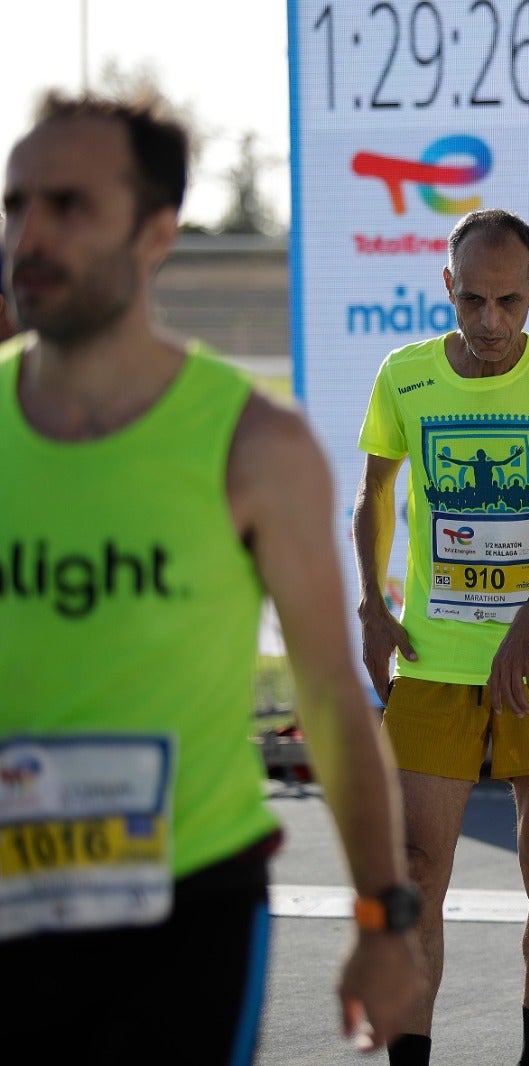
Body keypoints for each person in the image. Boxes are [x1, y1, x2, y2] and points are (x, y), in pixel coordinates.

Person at [0, 90, 423, 1060]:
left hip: (187, 909)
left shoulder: (253, 444)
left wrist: (383, 918)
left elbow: (331, 698)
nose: (30, 234)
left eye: (69, 206)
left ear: (156, 233)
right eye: (17, 204)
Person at [353, 207, 529, 1064]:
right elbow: (371, 497)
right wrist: (371, 603)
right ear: (446, 285)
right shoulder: (404, 376)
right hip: (436, 659)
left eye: (509, 302)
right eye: (471, 300)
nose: (489, 322)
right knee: (411, 872)